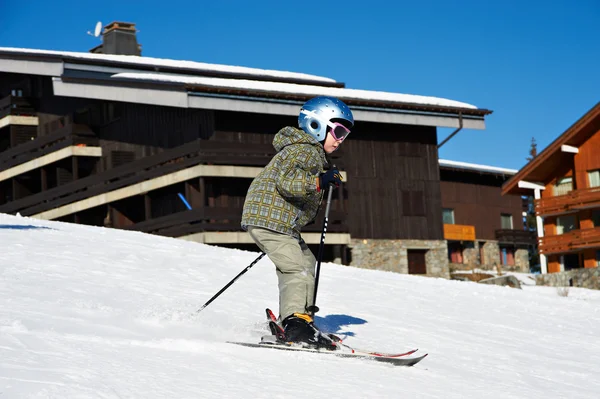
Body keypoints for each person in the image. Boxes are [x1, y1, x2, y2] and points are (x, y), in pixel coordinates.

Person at [241, 96, 354, 349]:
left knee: (305, 262)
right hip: (269, 220)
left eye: (345, 134)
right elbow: (288, 183)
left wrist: (322, 179)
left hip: (278, 222)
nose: (340, 139)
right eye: (337, 131)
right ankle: (295, 324)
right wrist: (319, 181)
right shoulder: (304, 150)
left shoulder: (310, 153)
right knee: (296, 268)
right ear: (316, 125)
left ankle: (299, 318)